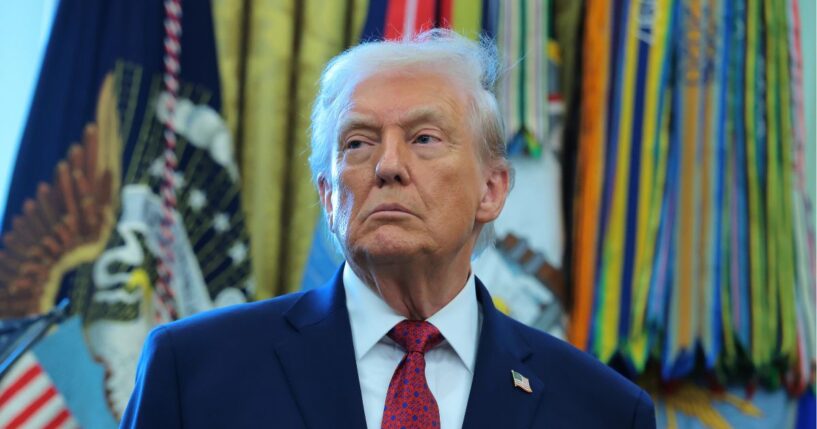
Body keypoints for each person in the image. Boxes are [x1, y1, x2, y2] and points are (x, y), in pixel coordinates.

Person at [120, 29, 656, 429]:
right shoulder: (193, 371)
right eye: (358, 142)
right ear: (329, 195)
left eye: (424, 138)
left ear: (491, 190)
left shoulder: (602, 409)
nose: (388, 165)